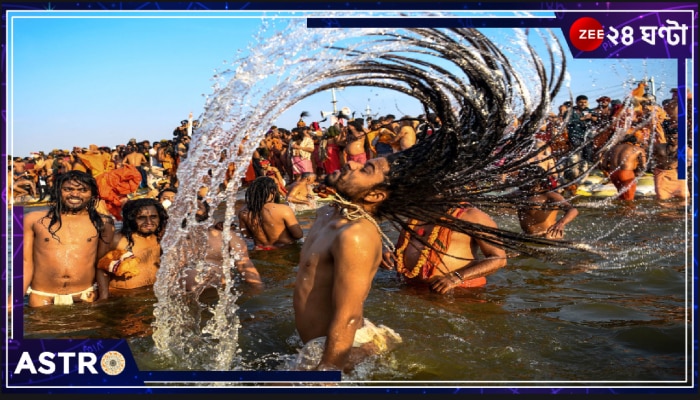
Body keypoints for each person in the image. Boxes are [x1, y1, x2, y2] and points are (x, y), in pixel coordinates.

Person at [23, 171, 115, 307]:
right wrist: (14, 300)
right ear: (58, 191)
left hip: (85, 295)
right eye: (68, 189)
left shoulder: (103, 223)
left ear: (92, 194)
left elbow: (102, 264)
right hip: (42, 296)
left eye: (83, 190)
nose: (75, 194)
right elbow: (25, 263)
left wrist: (104, 297)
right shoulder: (33, 219)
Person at [382, 204, 507, 294]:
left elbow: (498, 258)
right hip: (411, 289)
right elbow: (416, 246)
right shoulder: (417, 212)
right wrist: (391, 255)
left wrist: (457, 278)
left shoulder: (472, 216)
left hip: (461, 293)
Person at [98, 198, 168, 290]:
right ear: (131, 219)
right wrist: (104, 296)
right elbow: (99, 267)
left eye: (153, 216)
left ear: (160, 218)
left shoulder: (161, 238)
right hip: (124, 296)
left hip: (153, 293)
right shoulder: (118, 240)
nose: (149, 222)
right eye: (141, 218)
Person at [237, 176, 303, 250]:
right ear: (273, 191)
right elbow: (298, 235)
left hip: (260, 250)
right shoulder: (283, 209)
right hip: (284, 249)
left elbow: (246, 236)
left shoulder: (243, 212)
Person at [516, 166, 579, 239]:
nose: (519, 180)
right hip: (527, 237)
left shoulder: (549, 195)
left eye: (523, 178)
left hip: (549, 238)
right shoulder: (519, 194)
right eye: (520, 177)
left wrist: (561, 223)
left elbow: (573, 210)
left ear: (535, 179)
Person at [600, 135, 647, 201]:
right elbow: (643, 166)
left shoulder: (612, 148)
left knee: (621, 196)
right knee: (628, 199)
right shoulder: (638, 149)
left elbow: (603, 165)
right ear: (634, 142)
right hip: (627, 174)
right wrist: (637, 173)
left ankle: (620, 210)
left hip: (613, 173)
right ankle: (627, 210)